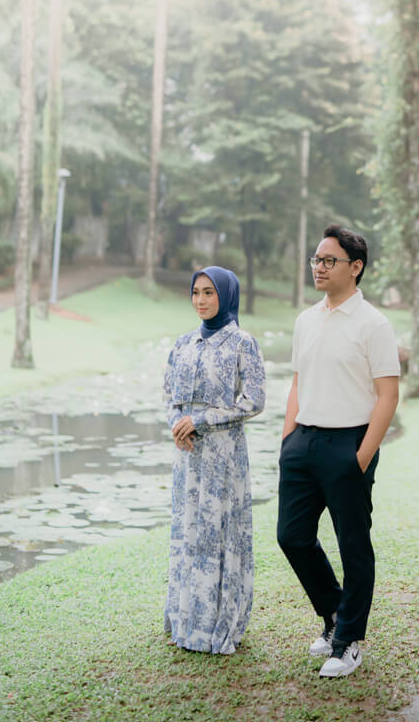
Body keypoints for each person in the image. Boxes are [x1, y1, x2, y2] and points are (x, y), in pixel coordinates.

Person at [277, 225, 400, 678]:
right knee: (291, 536)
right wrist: (287, 441)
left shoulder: (373, 324)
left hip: (349, 444)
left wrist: (361, 457)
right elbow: (298, 382)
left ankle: (347, 641)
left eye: (329, 260)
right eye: (316, 259)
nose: (319, 267)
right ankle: (333, 616)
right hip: (303, 442)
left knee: (353, 546)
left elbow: (388, 395)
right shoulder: (306, 320)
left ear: (356, 267)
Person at [164, 266, 266, 655]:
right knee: (188, 529)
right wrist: (179, 426)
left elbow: (254, 401)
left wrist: (201, 421)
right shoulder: (183, 344)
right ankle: (185, 621)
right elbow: (169, 395)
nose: (201, 300)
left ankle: (217, 625)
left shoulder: (243, 343)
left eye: (209, 292)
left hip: (223, 454)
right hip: (187, 455)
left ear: (226, 295)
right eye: (196, 292)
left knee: (218, 532)